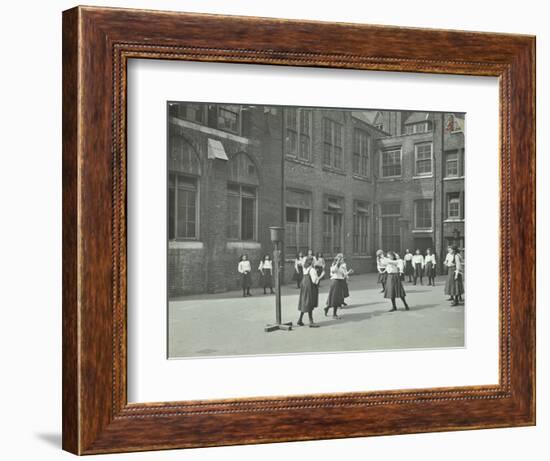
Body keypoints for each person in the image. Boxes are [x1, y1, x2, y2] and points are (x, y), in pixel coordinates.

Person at [297, 256, 321, 328]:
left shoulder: (305, 269)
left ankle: (300, 320)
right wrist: (320, 276)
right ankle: (311, 322)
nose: (315, 262)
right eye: (313, 261)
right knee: (309, 303)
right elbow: (314, 281)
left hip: (304, 287)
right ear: (311, 262)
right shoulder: (312, 270)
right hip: (310, 287)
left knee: (305, 302)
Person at [324, 254, 347, 319]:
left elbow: (343, 275)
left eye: (342, 259)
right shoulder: (334, 266)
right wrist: (337, 263)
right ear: (338, 260)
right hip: (335, 282)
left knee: (335, 298)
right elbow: (333, 271)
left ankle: (327, 308)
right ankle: (334, 314)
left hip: (340, 282)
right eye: (341, 259)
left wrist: (347, 273)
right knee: (334, 298)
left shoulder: (342, 266)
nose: (343, 260)